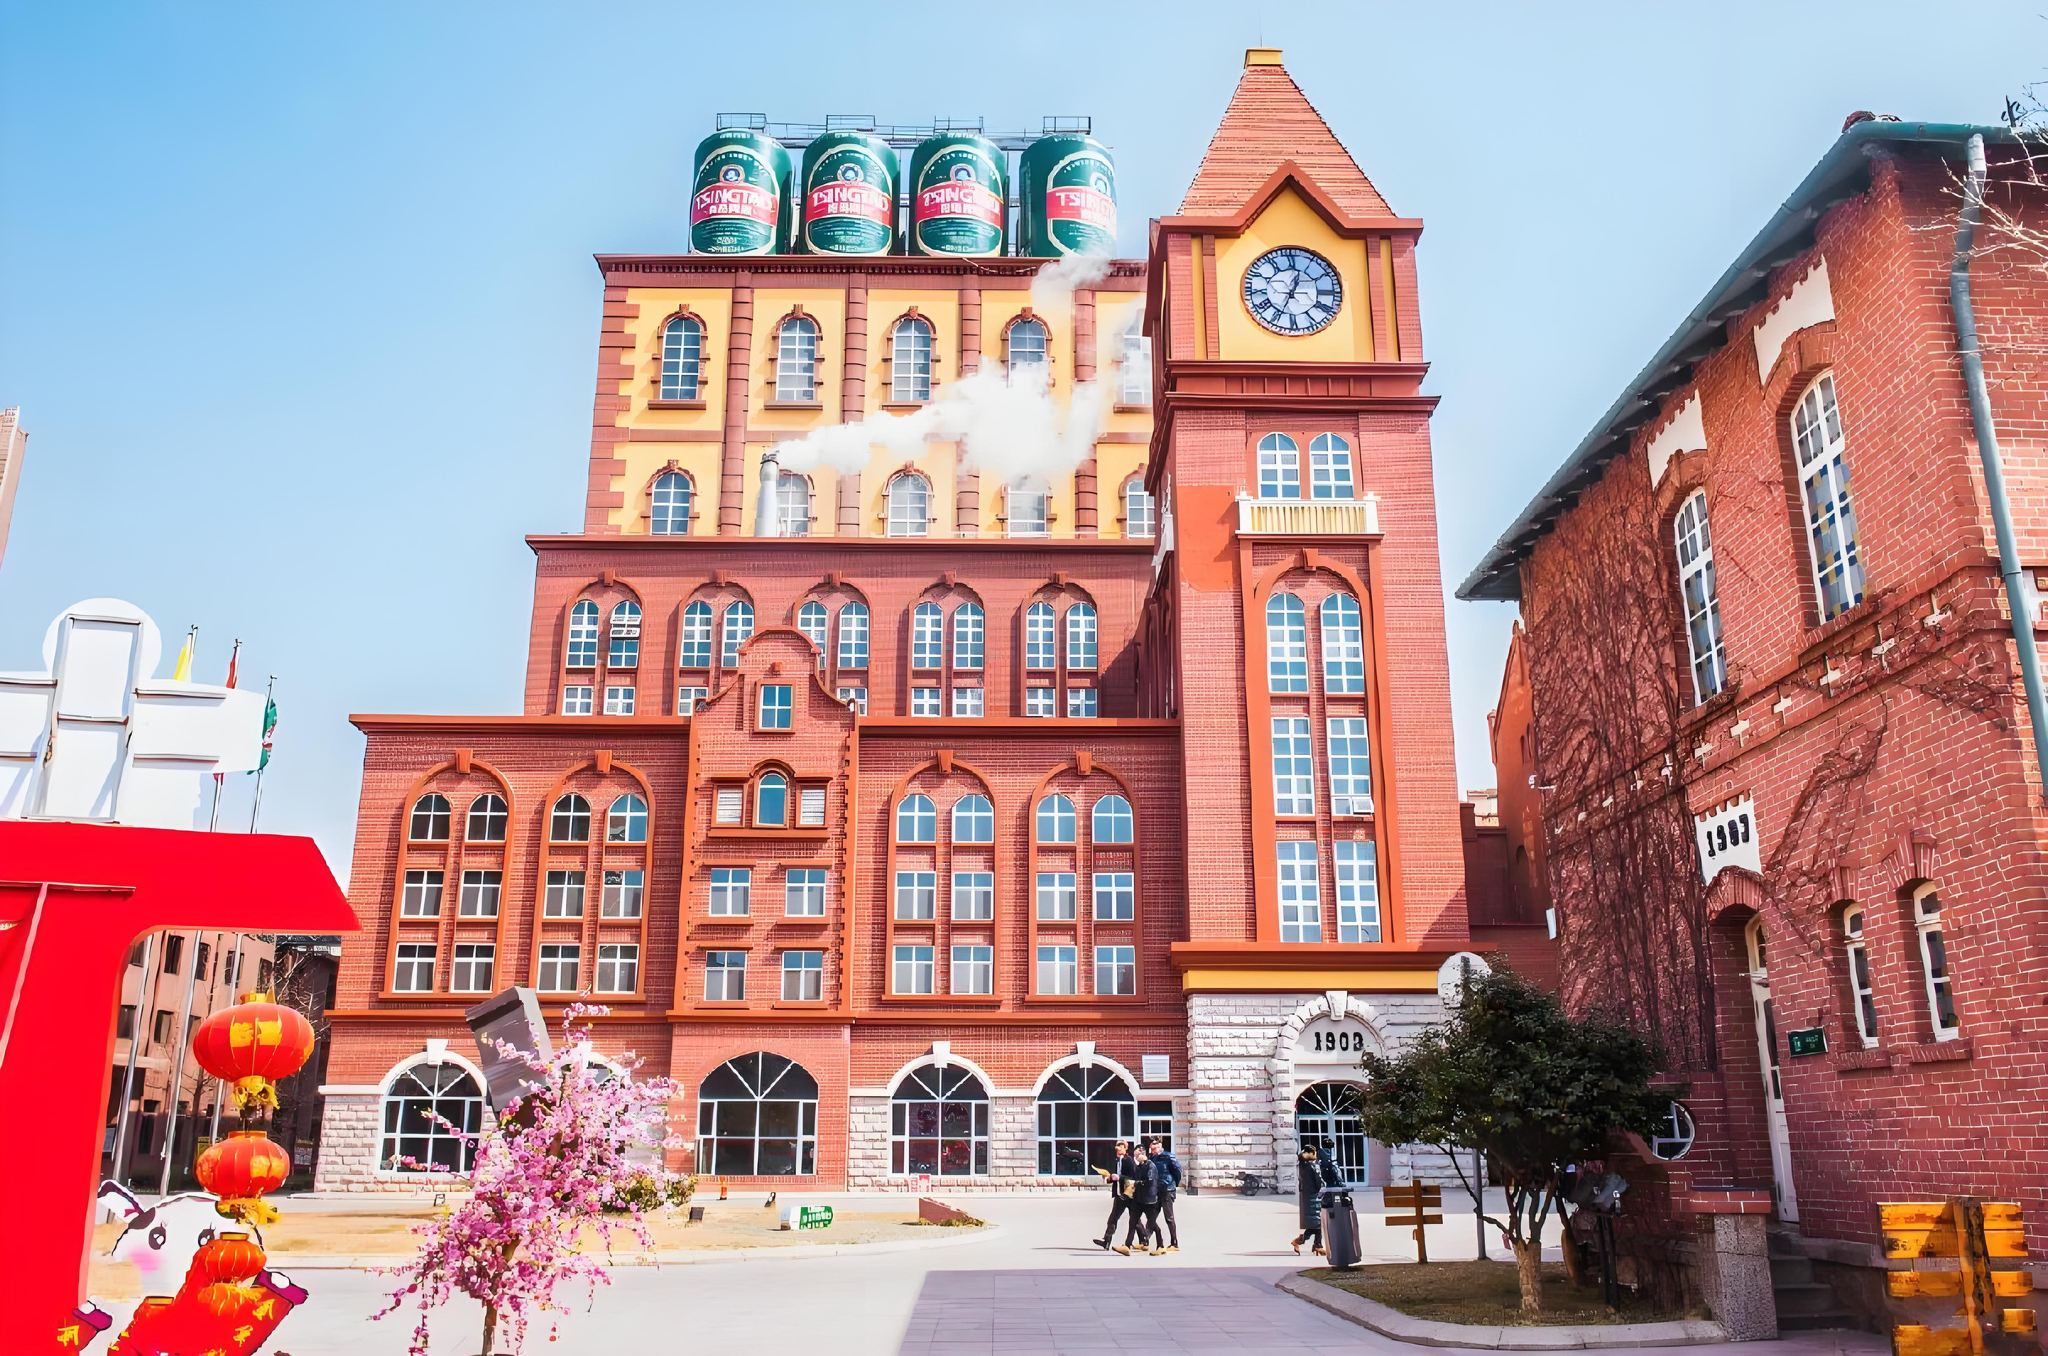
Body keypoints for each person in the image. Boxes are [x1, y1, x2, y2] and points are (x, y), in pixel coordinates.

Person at [1290, 1141, 1342, 1255]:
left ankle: (1317, 1245)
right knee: (1317, 1223)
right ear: (1310, 1153)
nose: (1316, 1154)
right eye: (1314, 1153)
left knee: (1316, 1224)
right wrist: (1323, 1188)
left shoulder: (1303, 1166)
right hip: (1315, 1196)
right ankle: (1300, 1241)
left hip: (1307, 1197)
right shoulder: (1313, 1166)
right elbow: (1319, 1182)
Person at [1114, 1143, 1162, 1255]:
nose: (1135, 1158)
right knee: (1132, 1222)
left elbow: (1149, 1181)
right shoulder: (1139, 1167)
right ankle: (1127, 1246)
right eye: (1135, 1156)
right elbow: (1133, 1179)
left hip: (1149, 1200)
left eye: (1137, 1155)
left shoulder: (1151, 1166)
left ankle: (1161, 1245)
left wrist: (1136, 1183)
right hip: (1138, 1199)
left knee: (1152, 1223)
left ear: (1142, 1153)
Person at [1093, 1138, 1134, 1250]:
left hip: (1128, 1194)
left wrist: (1119, 1177)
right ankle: (1106, 1241)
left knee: (1135, 1219)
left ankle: (1144, 1239)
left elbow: (1132, 1177)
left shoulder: (1129, 1160)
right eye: (1117, 1148)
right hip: (1118, 1194)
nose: (1118, 1150)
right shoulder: (1117, 1160)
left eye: (1120, 1147)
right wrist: (1108, 1178)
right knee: (1113, 1219)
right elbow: (1114, 1176)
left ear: (1125, 1149)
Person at [1147, 1136, 1182, 1253]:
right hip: (1156, 1191)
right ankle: (1145, 1240)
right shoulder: (1152, 1158)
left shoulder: (1168, 1156)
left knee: (1169, 1218)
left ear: (1160, 1145)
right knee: (1151, 1216)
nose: (1154, 1149)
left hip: (1167, 1190)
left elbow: (1177, 1170)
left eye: (1156, 1146)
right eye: (1152, 1147)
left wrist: (1173, 1184)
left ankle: (1174, 1243)